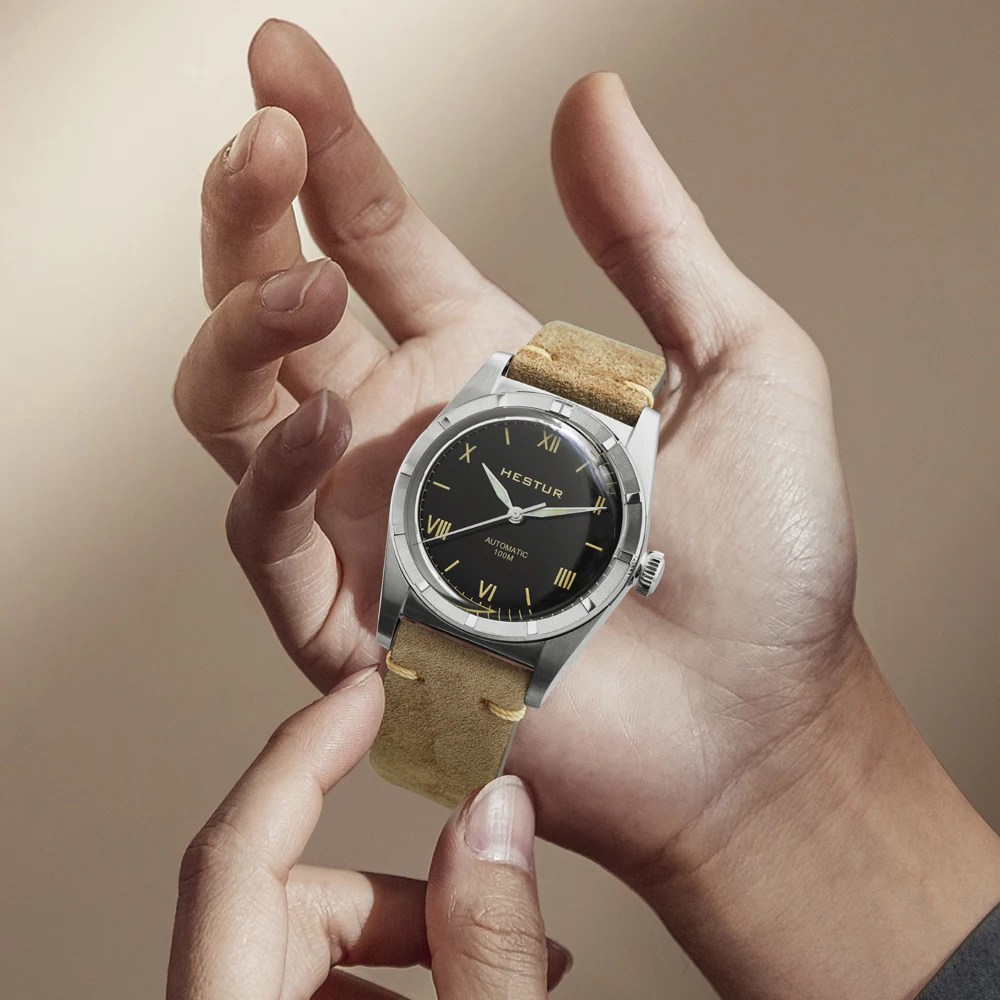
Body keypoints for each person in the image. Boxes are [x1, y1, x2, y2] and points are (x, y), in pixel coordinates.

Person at [170, 18, 1000, 999]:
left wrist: (783, 750)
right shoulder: (445, 474)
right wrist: (777, 781)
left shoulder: (598, 545)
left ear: (628, 565)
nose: (522, 519)